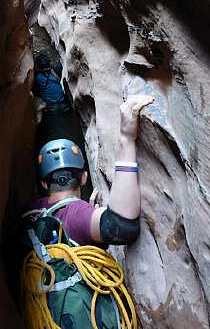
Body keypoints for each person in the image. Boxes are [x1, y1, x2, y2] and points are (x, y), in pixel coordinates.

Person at [30, 94, 154, 246]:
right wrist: (126, 139)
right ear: (84, 177)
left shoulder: (33, 209)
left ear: (43, 183)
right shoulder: (78, 215)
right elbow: (121, 227)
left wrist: (89, 211)